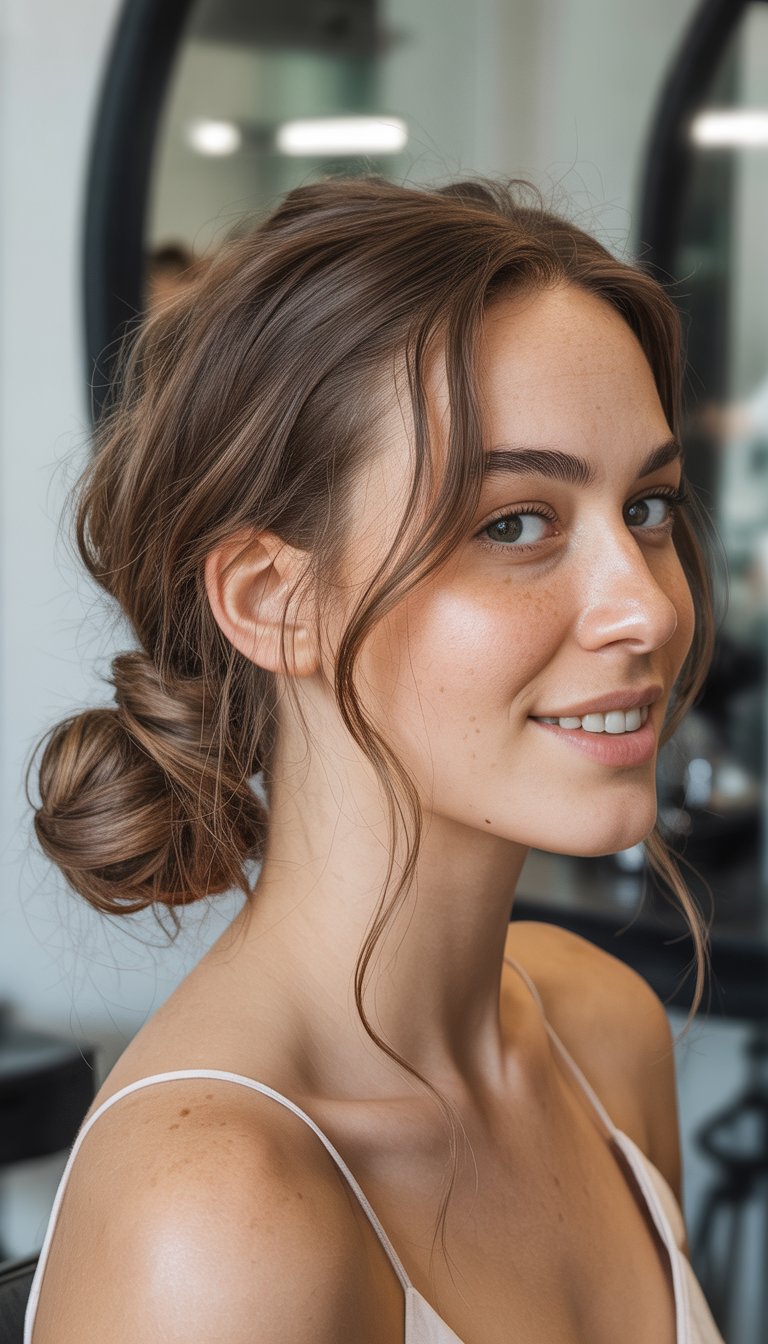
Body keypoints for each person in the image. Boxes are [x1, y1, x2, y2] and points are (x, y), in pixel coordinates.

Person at [24, 177, 725, 1343]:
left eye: (647, 507)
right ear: (274, 600)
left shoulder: (602, 1032)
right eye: (515, 523)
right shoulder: (217, 1221)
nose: (648, 609)